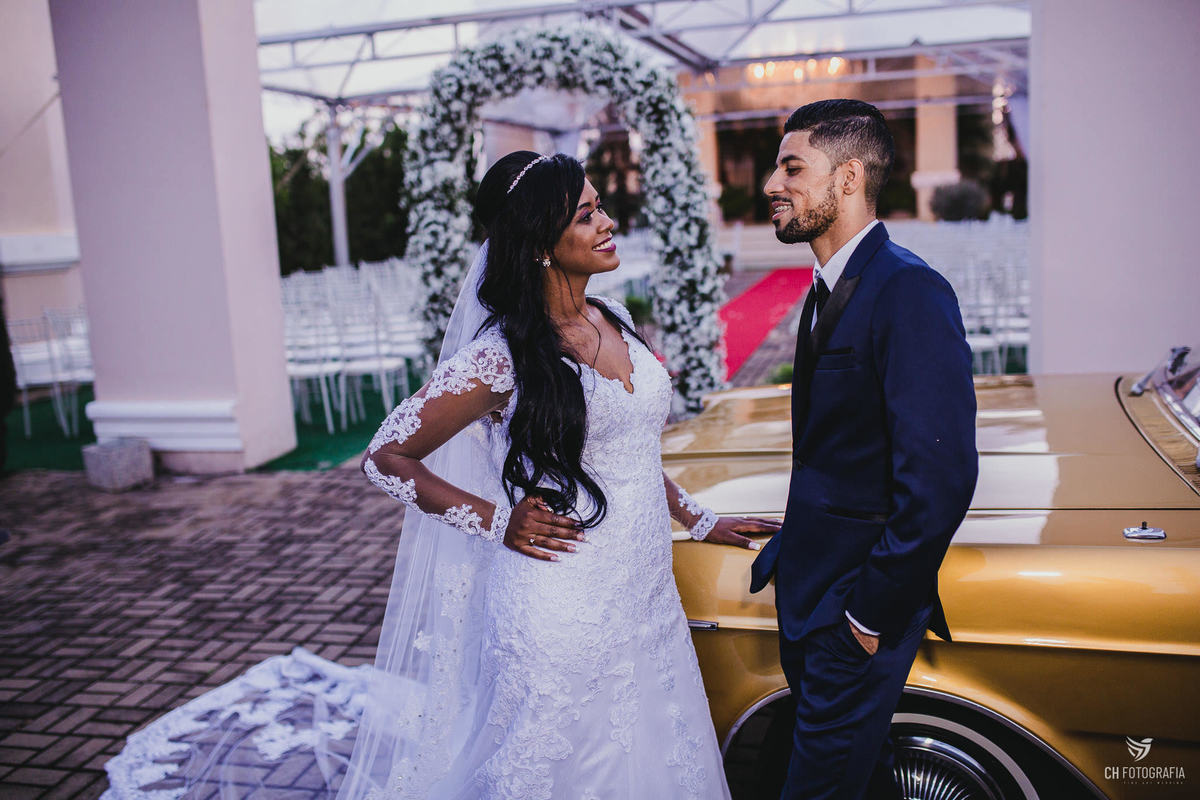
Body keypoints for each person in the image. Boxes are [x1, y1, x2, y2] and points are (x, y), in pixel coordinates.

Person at [342, 151, 781, 800]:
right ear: (541, 243)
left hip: (644, 595)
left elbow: (626, 454)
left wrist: (699, 516)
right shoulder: (501, 355)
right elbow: (386, 455)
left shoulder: (615, 319)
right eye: (585, 214)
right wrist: (496, 520)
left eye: (601, 206)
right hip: (559, 604)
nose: (607, 222)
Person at [749, 100, 978, 799]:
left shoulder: (907, 288)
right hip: (816, 600)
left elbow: (939, 478)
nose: (770, 184)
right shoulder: (827, 288)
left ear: (847, 179)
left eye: (792, 167)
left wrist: (866, 618)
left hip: (855, 615)